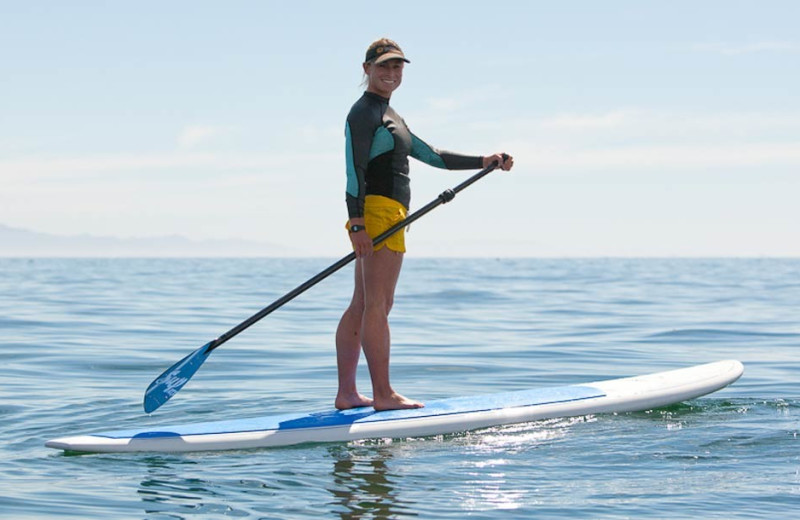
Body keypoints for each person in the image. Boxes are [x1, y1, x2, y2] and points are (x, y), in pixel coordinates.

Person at [335, 38, 514, 411]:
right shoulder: (363, 113)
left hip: (384, 214)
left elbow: (431, 155)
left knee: (365, 302)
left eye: (397, 67)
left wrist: (484, 160)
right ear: (366, 69)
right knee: (378, 305)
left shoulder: (390, 115)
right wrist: (356, 224)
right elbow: (354, 171)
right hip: (378, 213)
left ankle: (348, 394)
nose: (391, 73)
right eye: (383, 66)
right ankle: (383, 394)